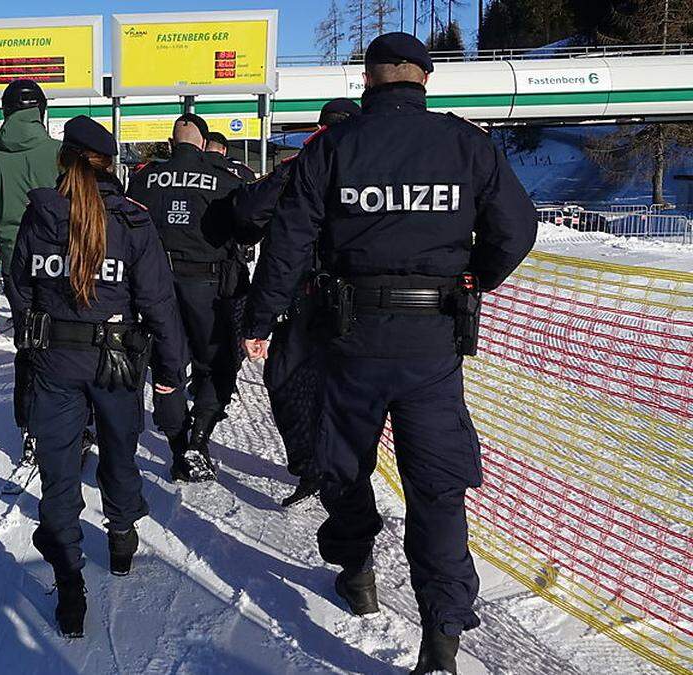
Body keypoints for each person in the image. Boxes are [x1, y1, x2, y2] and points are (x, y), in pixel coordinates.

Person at [243, 33, 537, 674]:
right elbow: (517, 229)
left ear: (368, 80)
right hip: (432, 345)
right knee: (436, 485)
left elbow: (289, 240)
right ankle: (442, 635)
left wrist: (260, 317)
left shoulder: (336, 147)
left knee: (343, 462)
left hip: (350, 339)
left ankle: (356, 568)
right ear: (424, 79)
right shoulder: (466, 144)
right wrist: (468, 282)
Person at [7, 115, 185, 639]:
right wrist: (171, 370)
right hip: (117, 361)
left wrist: (33, 337)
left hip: (54, 360)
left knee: (59, 472)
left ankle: (69, 586)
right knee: (119, 450)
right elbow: (157, 300)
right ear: (111, 165)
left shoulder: (40, 213)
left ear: (65, 161)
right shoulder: (132, 219)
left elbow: (20, 288)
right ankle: (122, 534)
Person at [233, 97, 361, 505]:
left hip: (306, 297)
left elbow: (249, 211)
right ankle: (332, 472)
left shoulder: (303, 166)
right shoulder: (375, 166)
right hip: (362, 303)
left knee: (288, 380)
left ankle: (314, 467)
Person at [128, 113, 246, 483]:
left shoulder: (144, 180)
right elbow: (247, 231)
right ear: (202, 142)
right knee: (217, 364)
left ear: (170, 140)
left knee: (166, 366)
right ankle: (199, 437)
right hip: (208, 290)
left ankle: (180, 448)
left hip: (155, 287)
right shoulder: (225, 180)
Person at [0, 79, 63, 463]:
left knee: (29, 343)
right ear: (41, 111)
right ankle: (70, 424)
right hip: (61, 262)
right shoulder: (61, 152)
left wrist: (3, 229)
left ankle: (29, 428)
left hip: (16, 262)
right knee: (64, 342)